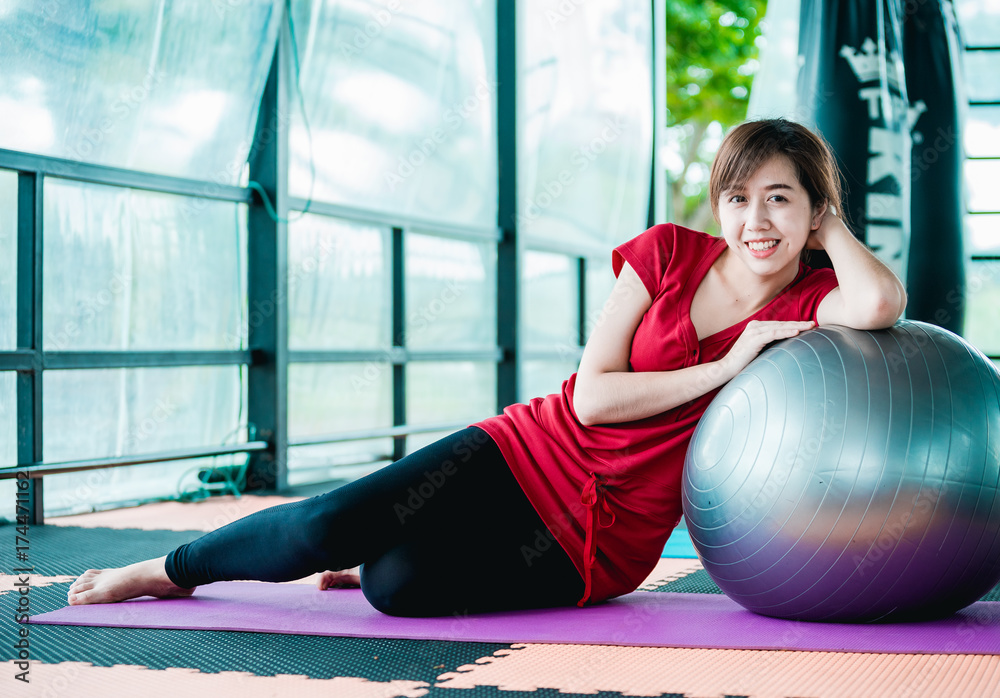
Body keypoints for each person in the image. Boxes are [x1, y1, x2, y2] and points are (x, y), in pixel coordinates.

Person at [67, 118, 906, 616]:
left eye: (780, 198)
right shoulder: (662, 255)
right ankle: (164, 570)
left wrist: (830, 227)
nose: (755, 219)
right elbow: (593, 401)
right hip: (529, 446)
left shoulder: (812, 297)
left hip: (599, 539)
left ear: (812, 206)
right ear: (716, 205)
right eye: (738, 197)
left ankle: (371, 558)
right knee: (325, 526)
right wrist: (729, 366)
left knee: (393, 588)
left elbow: (878, 306)